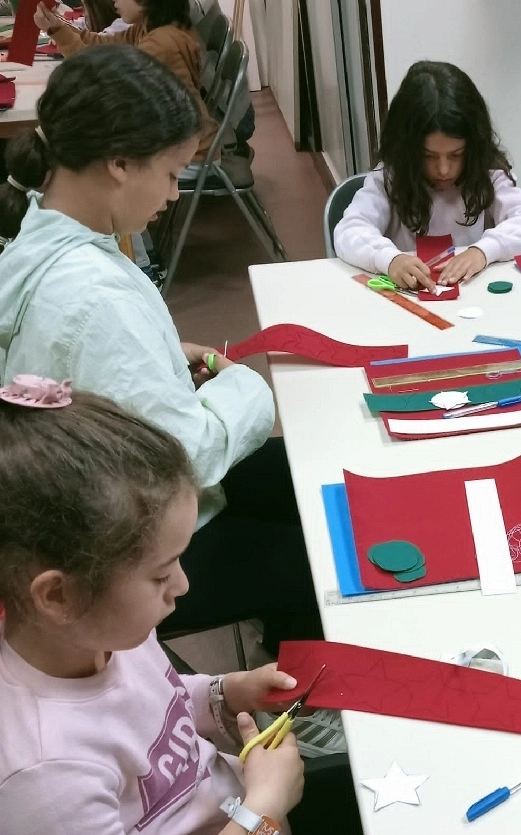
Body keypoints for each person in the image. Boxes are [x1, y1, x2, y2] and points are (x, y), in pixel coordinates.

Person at [0, 384, 435, 835]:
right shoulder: (42, 768)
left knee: (434, 820)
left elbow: (158, 706)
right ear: (57, 595)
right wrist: (261, 813)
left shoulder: (100, 633)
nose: (182, 587)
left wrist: (222, 693)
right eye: (160, 573)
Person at [0, 47, 321, 651]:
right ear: (120, 163)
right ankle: (295, 681)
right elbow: (186, 460)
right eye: (172, 173)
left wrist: (165, 359)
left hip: (85, 503)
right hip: (118, 551)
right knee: (319, 558)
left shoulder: (35, 240)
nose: (174, 194)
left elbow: (94, 366)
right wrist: (244, 385)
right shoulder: (97, 299)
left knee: (309, 476)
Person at [334, 59, 521, 291]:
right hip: (404, 300)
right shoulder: (389, 178)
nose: (443, 170)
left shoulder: (486, 174)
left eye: (456, 155)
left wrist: (483, 250)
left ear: (473, 147)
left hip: (473, 297)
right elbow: (349, 230)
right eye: (428, 156)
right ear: (407, 149)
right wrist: (389, 259)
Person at [34, 0, 215, 161]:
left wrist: (60, 33)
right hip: (172, 143)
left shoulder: (159, 44)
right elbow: (99, 47)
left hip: (187, 154)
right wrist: (58, 28)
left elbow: (101, 74)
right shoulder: (148, 28)